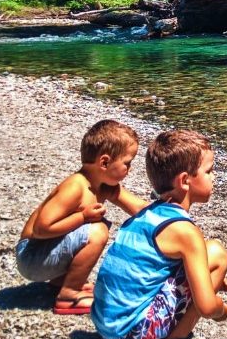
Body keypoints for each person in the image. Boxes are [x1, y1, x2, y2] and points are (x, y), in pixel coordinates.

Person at [92, 129, 227, 339]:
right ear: (185, 181)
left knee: (204, 259)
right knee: (217, 253)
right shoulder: (184, 232)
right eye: (209, 171)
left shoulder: (149, 213)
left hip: (107, 328)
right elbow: (207, 307)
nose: (214, 177)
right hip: (130, 337)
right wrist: (222, 310)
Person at [15, 119, 148, 315]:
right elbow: (41, 228)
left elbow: (139, 208)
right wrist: (83, 217)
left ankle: (61, 283)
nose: (130, 169)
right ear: (104, 162)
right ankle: (68, 296)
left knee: (95, 228)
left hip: (44, 255)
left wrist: (168, 211)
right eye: (127, 163)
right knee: (98, 230)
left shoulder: (104, 186)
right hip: (31, 256)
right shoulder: (76, 186)